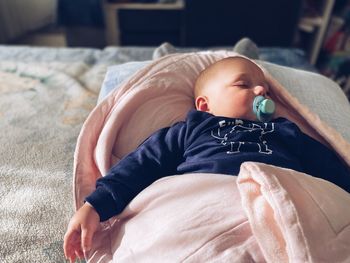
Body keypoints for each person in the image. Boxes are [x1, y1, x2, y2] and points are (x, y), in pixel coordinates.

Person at [63, 56, 350, 262]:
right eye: (243, 85)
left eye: (265, 89)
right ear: (205, 104)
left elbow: (327, 169)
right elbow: (143, 162)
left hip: (276, 196)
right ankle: (166, 52)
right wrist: (96, 205)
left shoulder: (286, 132)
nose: (261, 91)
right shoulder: (192, 127)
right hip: (204, 198)